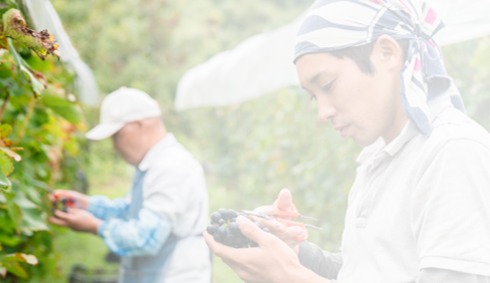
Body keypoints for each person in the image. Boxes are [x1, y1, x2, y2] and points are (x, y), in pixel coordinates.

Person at [204, 0, 490, 282]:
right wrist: (296, 255)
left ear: (388, 53)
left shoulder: (451, 151)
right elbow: (361, 271)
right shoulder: (377, 159)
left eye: (328, 85)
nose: (322, 112)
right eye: (314, 96)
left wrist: (291, 277)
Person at [50, 87, 211, 283]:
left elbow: (145, 238)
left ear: (140, 125)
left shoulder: (171, 168)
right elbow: (130, 211)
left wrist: (95, 227)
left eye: (116, 135)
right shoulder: (154, 164)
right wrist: (86, 204)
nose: (114, 145)